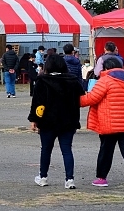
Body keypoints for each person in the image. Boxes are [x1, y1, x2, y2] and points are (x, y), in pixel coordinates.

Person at [79, 56, 124, 192]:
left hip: (110, 124)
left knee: (106, 151)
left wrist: (74, 101)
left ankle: (102, 178)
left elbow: (92, 98)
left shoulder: (105, 80)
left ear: (106, 68)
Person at [28, 54, 84, 189]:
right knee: (67, 150)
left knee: (46, 149)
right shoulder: (72, 80)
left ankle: (43, 177)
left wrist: (34, 119)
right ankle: (69, 179)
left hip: (47, 121)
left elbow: (37, 103)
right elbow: (81, 97)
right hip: (68, 120)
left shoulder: (42, 80)